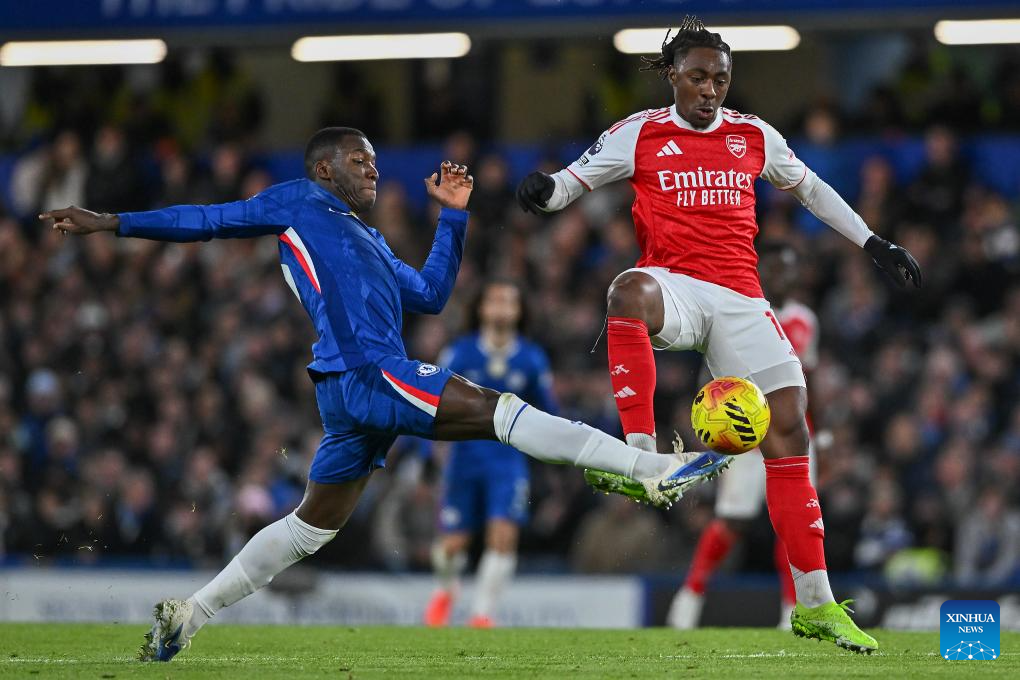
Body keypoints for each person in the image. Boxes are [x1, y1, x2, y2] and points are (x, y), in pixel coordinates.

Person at [41, 126, 730, 663]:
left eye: (374, 161)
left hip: (353, 392)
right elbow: (207, 219)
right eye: (360, 161)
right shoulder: (296, 202)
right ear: (324, 169)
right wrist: (113, 222)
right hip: (369, 372)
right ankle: (648, 469)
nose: (373, 170)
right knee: (501, 411)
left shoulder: (366, 237)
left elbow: (429, 295)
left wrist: (452, 219)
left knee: (311, 528)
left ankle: (190, 614)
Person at [515, 16, 922, 653]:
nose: (710, 89)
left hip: (741, 298)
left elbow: (811, 190)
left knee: (789, 425)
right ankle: (643, 458)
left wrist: (873, 242)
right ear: (673, 75)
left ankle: (815, 602)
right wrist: (543, 193)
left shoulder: (753, 135)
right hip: (674, 284)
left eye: (721, 79)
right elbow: (566, 185)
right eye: (699, 76)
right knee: (627, 291)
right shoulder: (639, 132)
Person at [667, 242, 818, 630]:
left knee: (794, 521)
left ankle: (794, 610)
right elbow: (713, 379)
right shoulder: (737, 311)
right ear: (761, 270)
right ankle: (690, 595)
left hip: (793, 434)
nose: (783, 275)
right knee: (732, 519)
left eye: (790, 268)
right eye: (776, 267)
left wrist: (822, 433)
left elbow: (808, 379)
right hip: (746, 436)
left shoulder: (805, 320)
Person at [424, 280, 555, 628]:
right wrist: (425, 452)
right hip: (463, 458)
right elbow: (429, 402)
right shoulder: (459, 353)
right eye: (494, 300)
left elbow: (548, 411)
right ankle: (446, 589)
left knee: (503, 535)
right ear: (481, 309)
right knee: (452, 545)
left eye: (509, 301)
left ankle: (482, 615)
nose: (501, 307)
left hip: (508, 461)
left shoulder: (531, 358)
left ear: (519, 311)